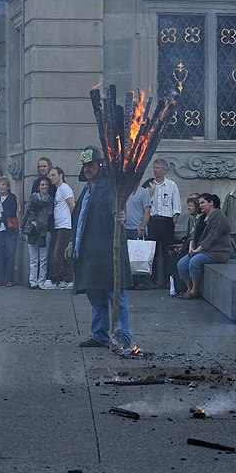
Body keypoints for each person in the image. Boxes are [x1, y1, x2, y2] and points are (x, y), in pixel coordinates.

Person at [70, 145, 133, 348]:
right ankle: (100, 335)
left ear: (99, 165)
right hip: (89, 252)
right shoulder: (87, 190)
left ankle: (123, 337)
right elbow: (81, 218)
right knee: (95, 295)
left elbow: (118, 208)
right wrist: (74, 241)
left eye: (91, 165)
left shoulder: (110, 187)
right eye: (85, 166)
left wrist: (120, 215)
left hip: (108, 252)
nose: (87, 169)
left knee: (116, 296)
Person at [176, 194, 231, 299]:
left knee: (194, 262)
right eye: (199, 203)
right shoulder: (202, 217)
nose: (200, 205)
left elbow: (211, 239)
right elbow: (193, 235)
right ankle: (189, 288)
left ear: (211, 203)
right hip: (201, 250)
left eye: (202, 203)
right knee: (181, 264)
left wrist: (196, 251)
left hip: (217, 252)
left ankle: (195, 290)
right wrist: (191, 247)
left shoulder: (219, 218)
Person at [147, 158, 181, 287]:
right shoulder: (150, 184)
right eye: (154, 167)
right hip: (153, 220)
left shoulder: (171, 185)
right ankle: (153, 280)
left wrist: (173, 220)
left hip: (166, 221)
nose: (155, 170)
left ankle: (168, 280)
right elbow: (146, 203)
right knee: (153, 253)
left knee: (167, 252)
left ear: (164, 170)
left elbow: (176, 205)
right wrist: (151, 192)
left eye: (158, 168)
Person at [42, 166, 75, 290]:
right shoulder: (59, 190)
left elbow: (72, 205)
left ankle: (53, 279)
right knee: (65, 255)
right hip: (60, 225)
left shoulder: (65, 189)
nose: (51, 178)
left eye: (53, 175)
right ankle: (68, 279)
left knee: (58, 254)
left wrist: (72, 222)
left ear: (61, 175)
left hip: (65, 226)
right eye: (50, 175)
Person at [25, 176, 53, 289]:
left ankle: (41, 281)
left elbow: (50, 213)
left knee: (43, 259)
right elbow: (30, 209)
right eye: (42, 185)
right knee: (33, 259)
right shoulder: (32, 198)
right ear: (38, 187)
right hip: (32, 229)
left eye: (46, 185)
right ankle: (33, 281)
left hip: (44, 231)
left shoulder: (51, 199)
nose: (44, 187)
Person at [124, 184, 152, 290]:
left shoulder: (143, 192)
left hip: (137, 229)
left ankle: (145, 282)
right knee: (129, 257)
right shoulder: (124, 191)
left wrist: (142, 227)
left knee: (141, 255)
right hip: (126, 227)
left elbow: (147, 211)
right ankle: (131, 282)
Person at [0, 176, 19, 287]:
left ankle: (9, 279)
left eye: (3, 184)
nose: (1, 187)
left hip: (10, 229)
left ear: (7, 186)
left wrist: (0, 214)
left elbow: (12, 211)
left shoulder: (12, 197)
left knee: (10, 254)